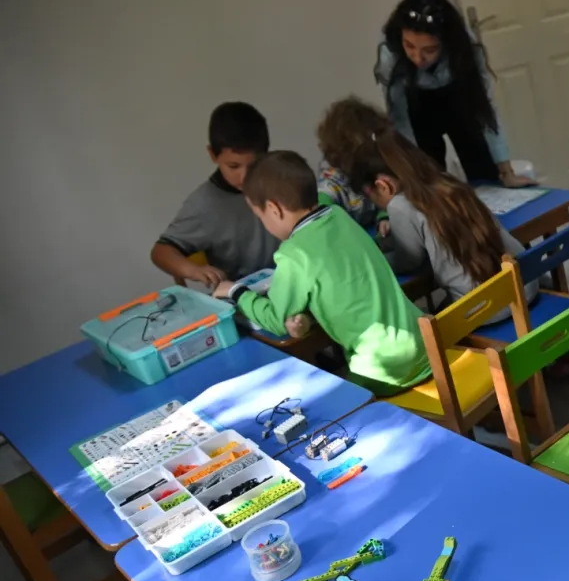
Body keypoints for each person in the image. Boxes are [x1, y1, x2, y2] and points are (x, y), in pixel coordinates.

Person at [212, 151, 431, 397]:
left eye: (260, 216)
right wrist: (305, 316)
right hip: (425, 347)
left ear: (274, 209)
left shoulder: (294, 254)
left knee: (328, 402)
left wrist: (236, 291)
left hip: (385, 371)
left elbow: (275, 319)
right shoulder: (339, 216)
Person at [349, 130, 537, 318]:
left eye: (370, 197)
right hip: (524, 288)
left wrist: (373, 257)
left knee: (424, 319)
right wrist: (389, 240)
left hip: (488, 310)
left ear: (383, 186)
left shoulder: (400, 205)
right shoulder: (446, 181)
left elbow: (408, 261)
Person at [375, 0, 535, 187]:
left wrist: (506, 172)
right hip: (417, 106)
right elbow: (400, 120)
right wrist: (412, 176)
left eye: (429, 50)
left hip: (457, 98)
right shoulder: (390, 55)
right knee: (430, 178)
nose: (418, 58)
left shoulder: (465, 48)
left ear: (446, 43)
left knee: (483, 170)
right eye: (409, 46)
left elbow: (485, 108)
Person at [151, 102, 278, 285]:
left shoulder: (281, 182)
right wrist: (193, 270)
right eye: (233, 166)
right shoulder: (204, 204)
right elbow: (161, 252)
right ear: (212, 154)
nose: (244, 177)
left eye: (253, 165)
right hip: (241, 294)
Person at [315, 96, 392, 234]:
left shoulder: (374, 169)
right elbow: (321, 221)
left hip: (376, 232)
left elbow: (389, 197)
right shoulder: (330, 186)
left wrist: (384, 217)